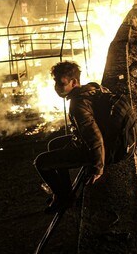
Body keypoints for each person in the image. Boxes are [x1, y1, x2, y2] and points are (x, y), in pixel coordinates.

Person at [34, 61, 112, 214]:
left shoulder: (78, 104)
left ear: (74, 82)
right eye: (56, 82)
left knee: (41, 162)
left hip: (95, 150)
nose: (57, 87)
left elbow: (95, 137)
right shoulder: (90, 89)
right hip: (96, 142)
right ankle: (65, 193)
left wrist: (97, 169)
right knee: (55, 144)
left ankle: (62, 198)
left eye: (61, 83)